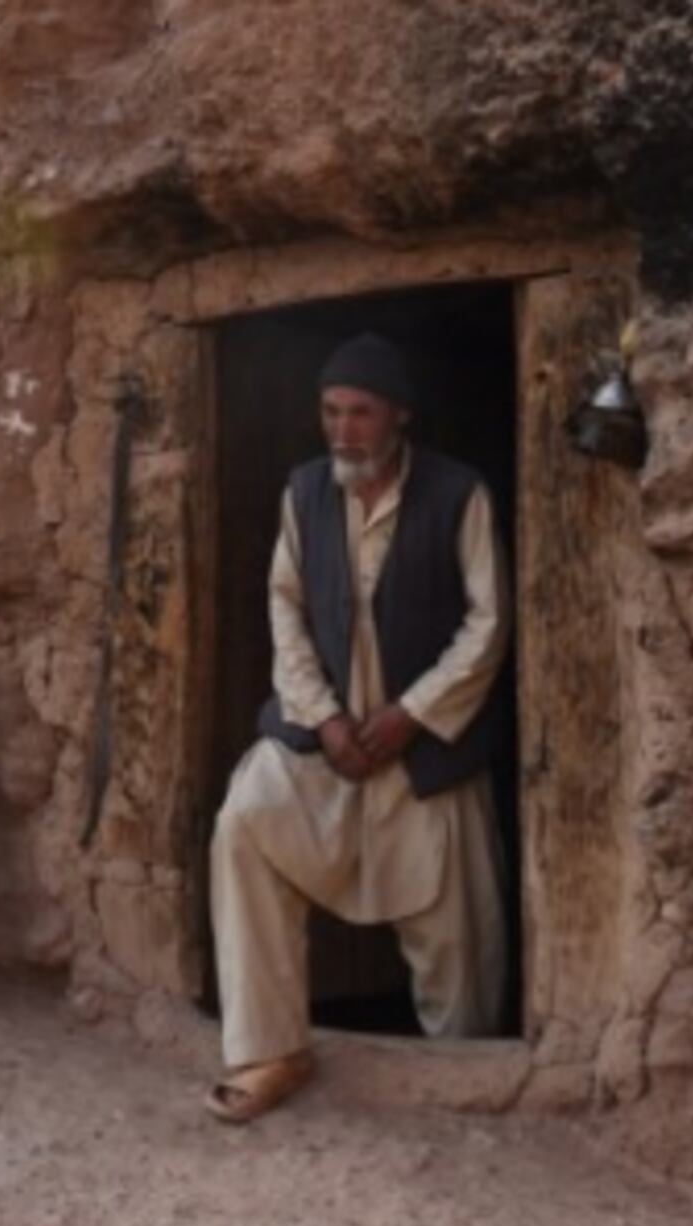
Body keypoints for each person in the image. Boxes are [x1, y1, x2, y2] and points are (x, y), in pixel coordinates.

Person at [204, 333, 512, 1123]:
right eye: (330, 412)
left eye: (360, 413)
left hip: (424, 744)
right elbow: (285, 609)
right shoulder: (304, 492)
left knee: (453, 933)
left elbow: (489, 623)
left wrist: (414, 713)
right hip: (328, 741)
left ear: (399, 416)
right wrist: (327, 717)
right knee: (246, 822)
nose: (342, 431)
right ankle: (269, 1048)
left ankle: (460, 1079)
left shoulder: (458, 493)